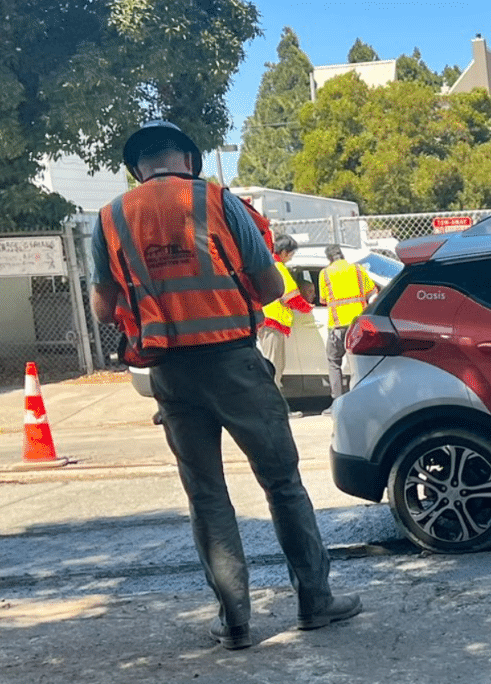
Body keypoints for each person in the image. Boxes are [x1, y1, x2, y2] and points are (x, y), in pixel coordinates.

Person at [89, 120, 361, 650]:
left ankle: (235, 621)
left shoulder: (111, 217)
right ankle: (314, 602)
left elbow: (103, 307)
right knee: (281, 483)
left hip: (168, 371)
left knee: (207, 495)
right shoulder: (216, 199)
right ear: (187, 159)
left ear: (135, 168)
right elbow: (270, 283)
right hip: (233, 362)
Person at [318, 245, 377, 409]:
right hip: (358, 324)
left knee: (334, 362)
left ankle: (337, 402)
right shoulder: (358, 269)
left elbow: (323, 299)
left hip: (337, 326)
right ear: (342, 256)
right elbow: (372, 292)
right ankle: (361, 399)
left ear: (329, 259)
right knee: (358, 362)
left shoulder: (325, 273)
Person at [259, 233, 312, 396]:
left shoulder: (269, 264)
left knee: (275, 367)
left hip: (271, 322)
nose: (291, 257)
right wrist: (307, 307)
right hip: (273, 322)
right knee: (273, 367)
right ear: (284, 252)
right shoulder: (279, 267)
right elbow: (291, 296)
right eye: (291, 254)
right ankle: (271, 408)